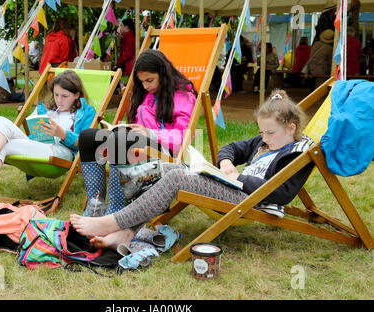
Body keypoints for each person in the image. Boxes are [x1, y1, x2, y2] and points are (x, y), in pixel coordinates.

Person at [70, 89, 315, 250]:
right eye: (262, 132)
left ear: (292, 128)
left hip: (248, 198)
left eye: (270, 133)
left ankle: (111, 222)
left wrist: (240, 178)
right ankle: (126, 231)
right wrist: (226, 164)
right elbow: (230, 149)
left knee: (177, 176)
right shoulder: (264, 142)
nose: (264, 137)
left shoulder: (296, 153)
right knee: (164, 168)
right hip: (233, 186)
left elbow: (283, 193)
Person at [0, 70, 96, 223]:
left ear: (77, 95)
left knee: (4, 145)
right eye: (56, 95)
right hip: (39, 147)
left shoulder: (87, 112)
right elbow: (32, 132)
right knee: (0, 121)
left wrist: (63, 134)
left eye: (65, 96)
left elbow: (86, 141)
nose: (59, 100)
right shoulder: (45, 109)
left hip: (62, 153)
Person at [78, 49, 197, 218]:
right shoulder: (149, 94)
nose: (146, 86)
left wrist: (150, 133)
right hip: (141, 147)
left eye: (150, 80)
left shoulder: (183, 96)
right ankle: (94, 206)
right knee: (88, 137)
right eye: (142, 82)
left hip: (166, 153)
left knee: (119, 141)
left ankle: (116, 211)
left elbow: (182, 137)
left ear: (164, 74)